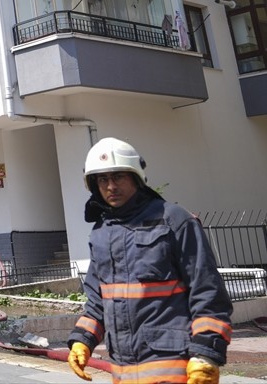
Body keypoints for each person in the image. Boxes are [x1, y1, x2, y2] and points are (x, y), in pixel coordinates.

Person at [67, 137, 232, 384]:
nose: (111, 186)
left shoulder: (174, 220)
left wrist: (206, 354)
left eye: (118, 177)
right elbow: (98, 301)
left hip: (175, 368)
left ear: (136, 177)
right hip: (123, 373)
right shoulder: (101, 233)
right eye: (103, 179)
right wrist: (82, 340)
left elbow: (207, 291)